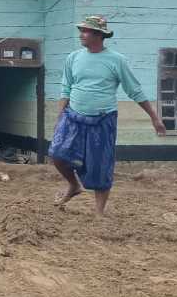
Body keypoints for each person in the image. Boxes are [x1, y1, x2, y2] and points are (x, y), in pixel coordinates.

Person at [49, 16, 166, 216]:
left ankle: (99, 213)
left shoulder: (116, 60)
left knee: (100, 165)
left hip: (102, 120)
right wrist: (60, 116)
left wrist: (154, 117)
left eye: (85, 31)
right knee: (57, 154)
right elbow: (66, 88)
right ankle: (74, 185)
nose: (81, 35)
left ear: (99, 35)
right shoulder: (73, 57)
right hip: (73, 117)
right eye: (81, 30)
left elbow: (134, 90)